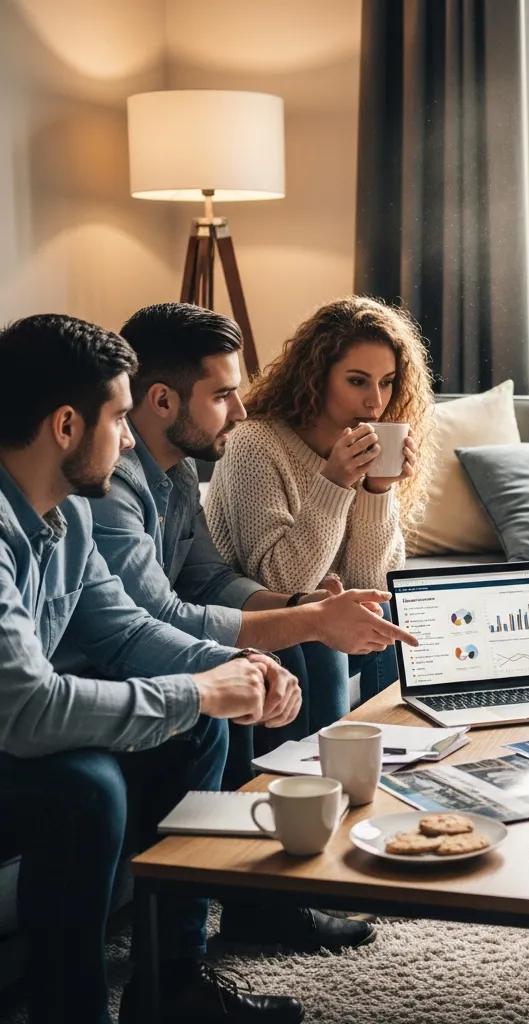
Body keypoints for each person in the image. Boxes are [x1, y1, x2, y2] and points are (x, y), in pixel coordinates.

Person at [0, 314, 303, 1024]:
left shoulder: (70, 513)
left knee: (200, 726)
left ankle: (172, 984)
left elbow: (127, 632)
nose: (131, 439)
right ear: (66, 426)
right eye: (118, 418)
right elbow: (26, 710)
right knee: (86, 786)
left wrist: (238, 666)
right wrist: (198, 690)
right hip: (12, 726)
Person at [90, 302, 418, 950]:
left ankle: (341, 854)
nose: (239, 411)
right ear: (161, 400)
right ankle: (270, 899)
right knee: (295, 654)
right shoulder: (120, 486)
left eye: (385, 383)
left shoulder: (176, 471)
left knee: (364, 621)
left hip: (179, 634)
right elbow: (157, 617)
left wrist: (307, 603)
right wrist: (305, 616)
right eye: (223, 395)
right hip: (129, 657)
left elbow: (211, 580)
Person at [205, 296, 435, 702]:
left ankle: (400, 737)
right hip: (258, 615)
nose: (375, 402)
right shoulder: (254, 444)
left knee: (393, 616)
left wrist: (377, 490)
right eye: (357, 381)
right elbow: (282, 585)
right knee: (322, 633)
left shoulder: (368, 448)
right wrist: (335, 482)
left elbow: (373, 587)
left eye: (386, 382)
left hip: (332, 619)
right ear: (315, 376)